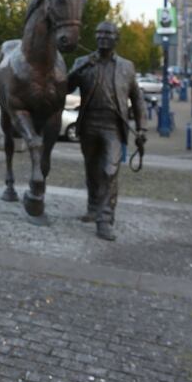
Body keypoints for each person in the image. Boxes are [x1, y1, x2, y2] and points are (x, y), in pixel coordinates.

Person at [67, 21, 147, 241]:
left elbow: (137, 100)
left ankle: (105, 219)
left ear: (116, 38)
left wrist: (142, 128)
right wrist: (82, 68)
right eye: (99, 33)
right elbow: (65, 87)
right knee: (92, 170)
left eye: (107, 34)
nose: (102, 37)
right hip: (89, 123)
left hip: (113, 126)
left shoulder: (126, 67)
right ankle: (93, 208)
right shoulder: (83, 62)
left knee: (110, 171)